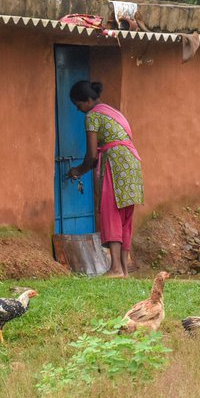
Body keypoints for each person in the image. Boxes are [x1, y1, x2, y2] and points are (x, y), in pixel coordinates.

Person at [67, 81, 144, 278]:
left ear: (88, 100)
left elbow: (92, 156)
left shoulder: (93, 115)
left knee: (111, 213)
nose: (79, 110)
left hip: (115, 164)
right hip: (132, 164)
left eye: (78, 105)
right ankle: (125, 270)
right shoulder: (112, 111)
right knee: (125, 215)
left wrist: (77, 171)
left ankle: (115, 268)